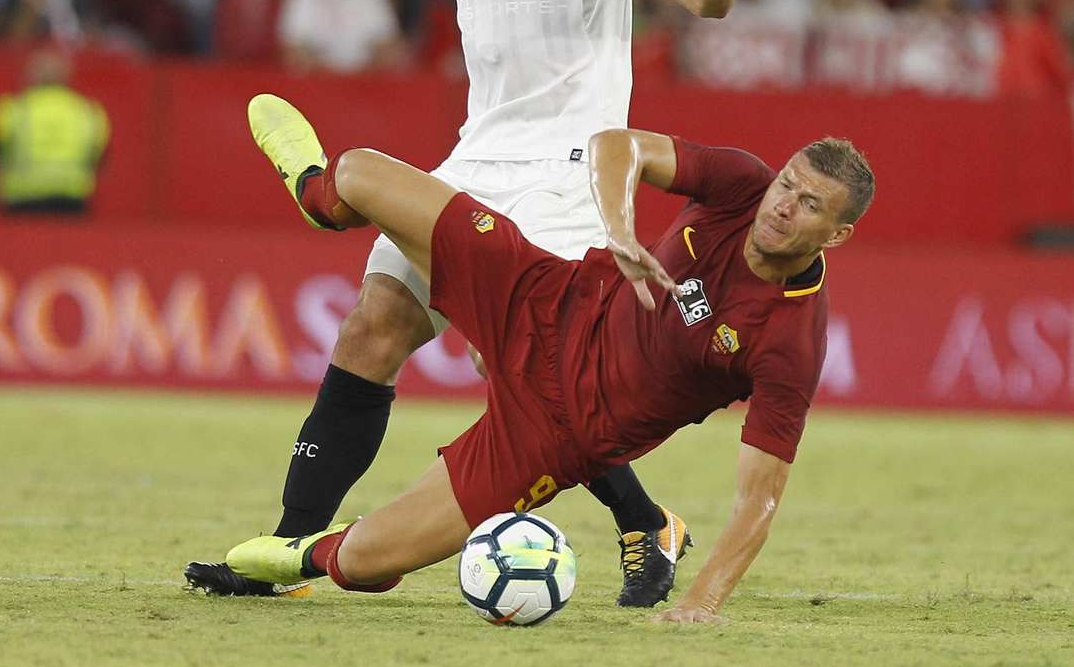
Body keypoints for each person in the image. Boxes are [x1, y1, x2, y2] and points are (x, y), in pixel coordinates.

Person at [185, 0, 766, 607]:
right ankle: (290, 548)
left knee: (542, 380)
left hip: (572, 170)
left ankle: (648, 524)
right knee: (372, 330)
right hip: (477, 156)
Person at [220, 94, 872, 622]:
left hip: (555, 434)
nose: (782, 205)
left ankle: (298, 556)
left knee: (362, 563)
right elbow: (618, 145)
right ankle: (314, 194)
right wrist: (619, 229)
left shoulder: (790, 337)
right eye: (788, 184)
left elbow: (757, 500)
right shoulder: (742, 187)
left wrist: (702, 605)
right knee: (358, 170)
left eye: (808, 204)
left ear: (837, 234)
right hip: (541, 296)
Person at [0, 51, 110, 216]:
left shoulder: (11, 110)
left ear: (31, 76)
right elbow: (99, 162)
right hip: (72, 204)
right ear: (67, 76)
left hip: (21, 204)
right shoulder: (89, 112)